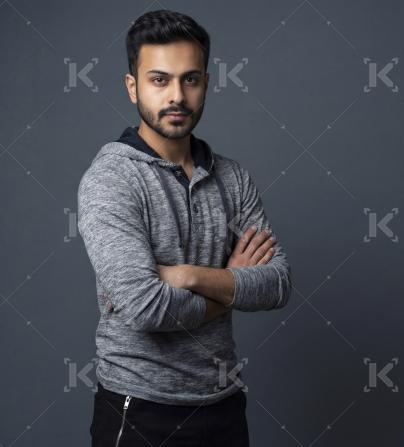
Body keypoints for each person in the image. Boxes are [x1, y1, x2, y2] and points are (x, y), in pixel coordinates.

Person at [77, 9, 293, 446]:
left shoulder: (232, 178)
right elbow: (146, 307)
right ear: (132, 87)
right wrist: (231, 284)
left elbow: (277, 283)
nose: (177, 95)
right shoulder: (112, 179)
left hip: (224, 404)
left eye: (190, 79)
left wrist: (187, 275)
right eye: (159, 80)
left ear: (206, 85)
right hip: (138, 409)